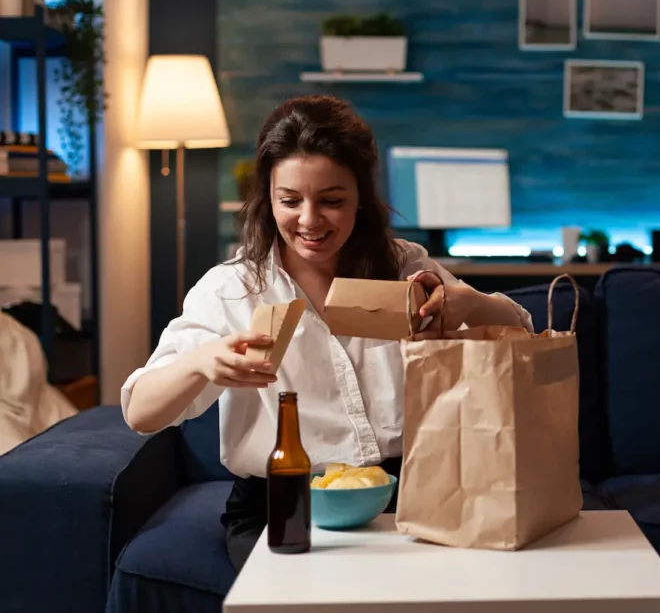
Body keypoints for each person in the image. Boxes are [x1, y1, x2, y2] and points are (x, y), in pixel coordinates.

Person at [120, 95, 533, 572]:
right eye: (289, 201)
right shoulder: (232, 289)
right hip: (281, 505)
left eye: (332, 201)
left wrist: (470, 303)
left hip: (411, 495)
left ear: (362, 198)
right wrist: (202, 361)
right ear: (267, 198)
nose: (310, 221)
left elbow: (521, 336)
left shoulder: (405, 267)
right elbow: (140, 413)